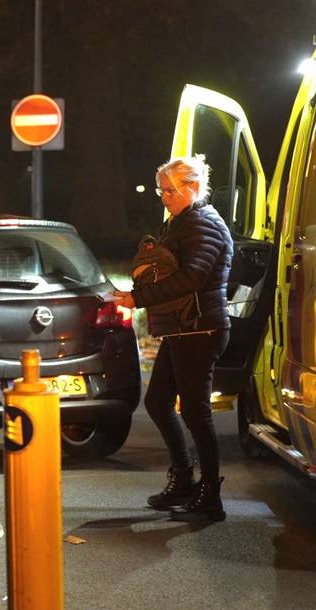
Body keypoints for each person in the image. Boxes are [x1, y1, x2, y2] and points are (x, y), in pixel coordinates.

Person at [114, 155, 233, 522]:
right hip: (183, 328)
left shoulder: (203, 224)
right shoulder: (183, 221)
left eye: (169, 190)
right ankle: (183, 479)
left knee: (197, 414)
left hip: (199, 328)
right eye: (160, 190)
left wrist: (138, 299)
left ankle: (211, 496)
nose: (163, 197)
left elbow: (191, 279)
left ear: (193, 187)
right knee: (158, 401)